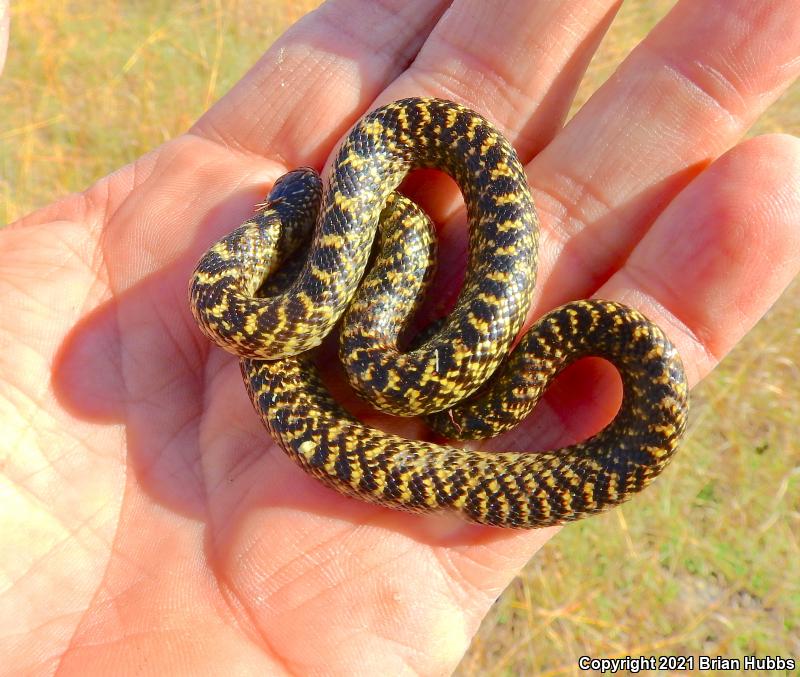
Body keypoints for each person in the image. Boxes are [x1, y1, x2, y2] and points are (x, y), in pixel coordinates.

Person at [2, 1, 798, 673]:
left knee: (404, 301)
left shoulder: (331, 240)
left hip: (388, 308)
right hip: (362, 325)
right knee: (395, 311)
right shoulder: (257, 292)